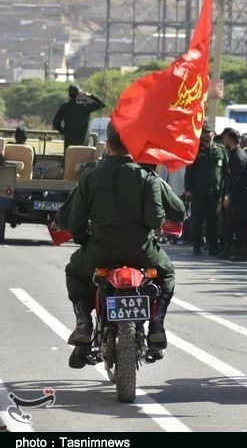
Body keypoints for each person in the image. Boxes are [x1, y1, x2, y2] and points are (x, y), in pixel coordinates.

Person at [57, 122, 184, 368]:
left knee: (74, 271)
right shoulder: (146, 176)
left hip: (100, 250)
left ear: (108, 145)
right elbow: (159, 218)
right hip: (142, 251)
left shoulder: (91, 175)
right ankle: (156, 325)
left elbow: (73, 220)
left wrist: (84, 240)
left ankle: (84, 324)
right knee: (166, 273)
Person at [184, 121, 227, 256]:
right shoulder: (196, 149)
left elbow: (225, 171)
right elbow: (189, 171)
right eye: (205, 133)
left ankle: (212, 246)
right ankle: (196, 245)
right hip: (199, 191)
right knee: (197, 219)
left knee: (212, 220)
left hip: (215, 191)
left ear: (213, 134)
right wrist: (188, 189)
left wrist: (225, 191)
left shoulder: (220, 149)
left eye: (209, 132)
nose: (207, 135)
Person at [222, 130, 247, 261]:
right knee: (231, 223)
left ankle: (241, 251)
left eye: (225, 138)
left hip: (238, 197)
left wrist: (228, 195)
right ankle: (230, 249)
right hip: (239, 196)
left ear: (229, 139)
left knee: (238, 224)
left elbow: (233, 179)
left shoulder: (238, 156)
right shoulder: (238, 154)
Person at [52, 85, 106, 150]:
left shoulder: (64, 107)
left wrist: (64, 131)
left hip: (69, 145)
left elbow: (55, 124)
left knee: (69, 159)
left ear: (69, 94)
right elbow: (102, 104)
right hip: (83, 145)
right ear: (78, 94)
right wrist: (90, 95)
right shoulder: (86, 106)